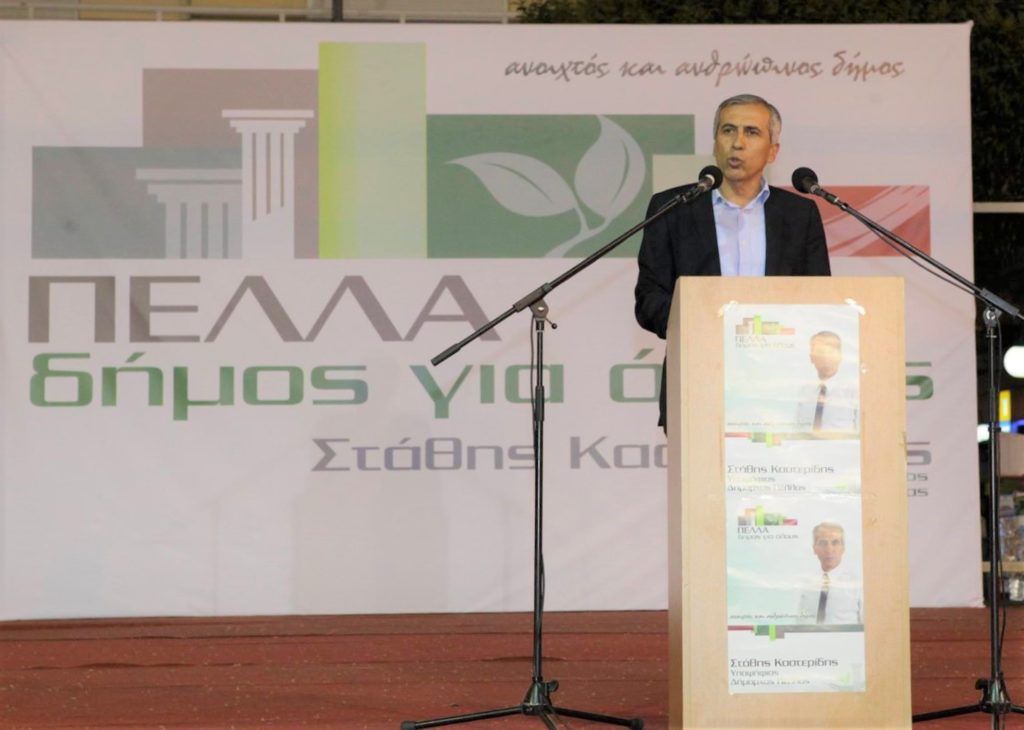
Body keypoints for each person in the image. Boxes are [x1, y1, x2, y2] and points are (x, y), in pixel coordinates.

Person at [634, 93, 831, 429]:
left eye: (751, 132)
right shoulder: (674, 208)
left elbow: (820, 301)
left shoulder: (799, 215)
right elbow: (649, 300)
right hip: (698, 385)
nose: (737, 143)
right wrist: (705, 322)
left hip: (781, 390)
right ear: (715, 143)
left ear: (773, 151)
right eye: (728, 131)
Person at [797, 522, 863, 625]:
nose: (829, 549)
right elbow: (800, 622)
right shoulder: (808, 583)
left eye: (835, 543)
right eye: (823, 543)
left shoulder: (857, 583)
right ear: (814, 548)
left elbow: (868, 626)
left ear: (843, 548)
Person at [795, 330, 859, 433]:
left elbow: (863, 433)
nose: (826, 358)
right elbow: (798, 430)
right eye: (821, 353)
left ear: (840, 356)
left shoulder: (854, 392)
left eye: (831, 352)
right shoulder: (805, 391)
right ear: (811, 358)